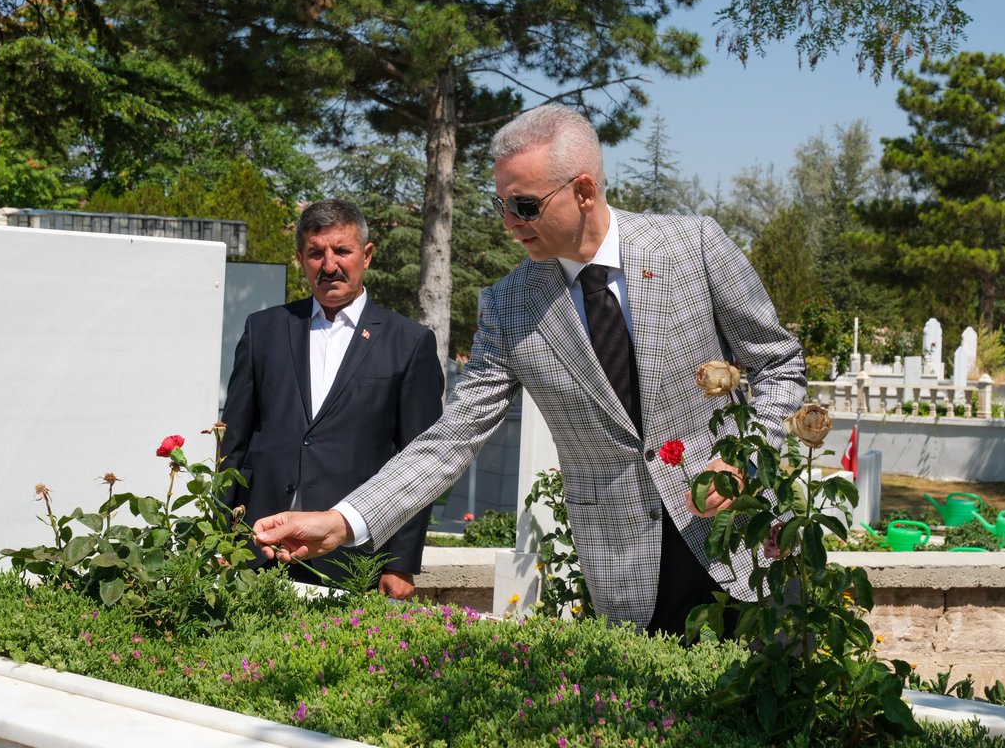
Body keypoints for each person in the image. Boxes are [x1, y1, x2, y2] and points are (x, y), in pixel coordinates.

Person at [252, 105, 806, 634]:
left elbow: (778, 365)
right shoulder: (508, 304)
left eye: (523, 206)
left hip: (748, 537)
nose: (508, 224)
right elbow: (452, 437)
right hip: (626, 568)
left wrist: (742, 460)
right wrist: (343, 520)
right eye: (500, 205)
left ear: (584, 191)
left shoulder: (694, 247)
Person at [220, 198, 444, 599]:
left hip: (351, 558)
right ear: (300, 259)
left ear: (367, 255)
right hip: (256, 550)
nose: (329, 265)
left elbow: (418, 462)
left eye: (341, 250)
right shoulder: (264, 331)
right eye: (315, 253)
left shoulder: (409, 344)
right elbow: (233, 446)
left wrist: (401, 562)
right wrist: (220, 539)